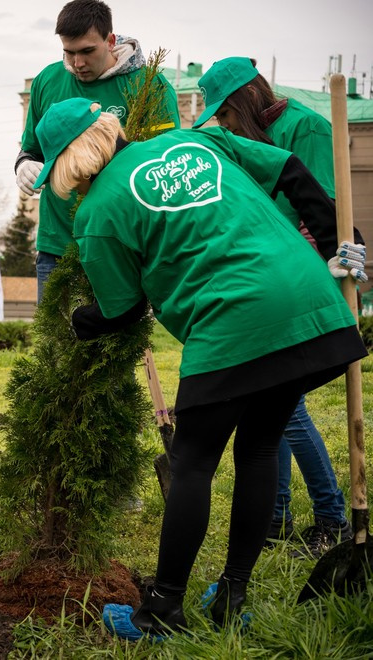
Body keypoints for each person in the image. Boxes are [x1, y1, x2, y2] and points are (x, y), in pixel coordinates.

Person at [31, 98, 367, 637]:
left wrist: (78, 323)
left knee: (193, 464)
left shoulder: (96, 216)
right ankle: (232, 596)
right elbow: (291, 171)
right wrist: (339, 245)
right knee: (259, 448)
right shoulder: (196, 140)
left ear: (64, 164)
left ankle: (162, 610)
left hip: (232, 323)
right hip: (308, 303)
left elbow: (121, 309)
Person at [195, 56, 357, 558]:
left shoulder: (304, 127)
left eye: (223, 115)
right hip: (269, 273)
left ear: (242, 101)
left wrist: (334, 254)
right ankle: (277, 514)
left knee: (287, 411)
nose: (221, 125)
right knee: (272, 407)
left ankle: (332, 518)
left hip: (304, 273)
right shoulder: (245, 139)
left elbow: (326, 203)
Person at [14, 0, 179, 301]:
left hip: (121, 243)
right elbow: (32, 149)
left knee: (119, 344)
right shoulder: (47, 82)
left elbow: (167, 165)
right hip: (58, 243)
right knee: (56, 344)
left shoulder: (150, 86)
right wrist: (24, 164)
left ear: (111, 41)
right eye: (69, 52)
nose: (77, 63)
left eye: (87, 51)